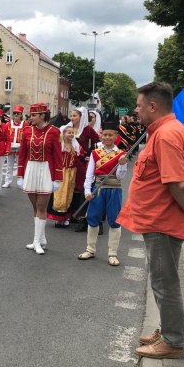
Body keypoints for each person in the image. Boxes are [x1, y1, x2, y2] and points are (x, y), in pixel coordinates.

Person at [114, 82, 184, 359]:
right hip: (161, 219)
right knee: (162, 279)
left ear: (153, 106)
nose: (136, 110)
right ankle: (168, 329)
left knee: (164, 281)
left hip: (162, 221)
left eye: (138, 105)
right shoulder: (170, 131)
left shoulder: (167, 135)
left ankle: (173, 341)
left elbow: (179, 184)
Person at [77, 114, 128, 266]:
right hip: (97, 189)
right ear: (101, 135)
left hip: (114, 190)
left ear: (115, 136)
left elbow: (120, 177)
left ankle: (112, 253)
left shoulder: (121, 154)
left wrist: (123, 164)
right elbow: (89, 173)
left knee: (114, 221)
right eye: (104, 134)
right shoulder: (94, 153)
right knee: (92, 218)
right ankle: (90, 249)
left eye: (110, 135)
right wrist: (87, 190)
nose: (107, 137)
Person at [16, 103, 63, 255]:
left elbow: (57, 156)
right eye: (30, 115)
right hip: (30, 169)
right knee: (35, 207)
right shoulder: (27, 131)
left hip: (46, 170)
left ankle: (36, 241)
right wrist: (20, 175)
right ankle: (41, 238)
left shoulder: (54, 132)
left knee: (42, 207)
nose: (31, 118)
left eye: (34, 115)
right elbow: (22, 154)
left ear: (42, 115)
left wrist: (57, 178)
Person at [64, 107, 101, 231]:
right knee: (69, 187)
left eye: (74, 116)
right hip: (68, 163)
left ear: (81, 117)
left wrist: (88, 154)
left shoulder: (87, 129)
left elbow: (97, 142)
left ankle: (81, 217)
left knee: (80, 188)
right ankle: (69, 214)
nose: (72, 118)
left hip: (80, 164)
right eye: (71, 115)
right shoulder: (69, 128)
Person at [47, 125, 84, 227]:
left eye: (72, 133)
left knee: (69, 194)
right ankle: (58, 218)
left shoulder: (76, 146)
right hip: (62, 172)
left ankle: (65, 217)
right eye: (69, 132)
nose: (71, 134)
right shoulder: (60, 146)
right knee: (59, 194)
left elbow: (80, 158)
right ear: (63, 134)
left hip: (72, 173)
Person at [2, 105, 27, 188]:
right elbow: (5, 135)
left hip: (20, 148)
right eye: (14, 113)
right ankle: (8, 181)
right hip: (11, 147)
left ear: (21, 115)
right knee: (9, 165)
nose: (16, 115)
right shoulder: (8, 124)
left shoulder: (25, 124)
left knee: (20, 165)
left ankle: (20, 181)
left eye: (18, 113)